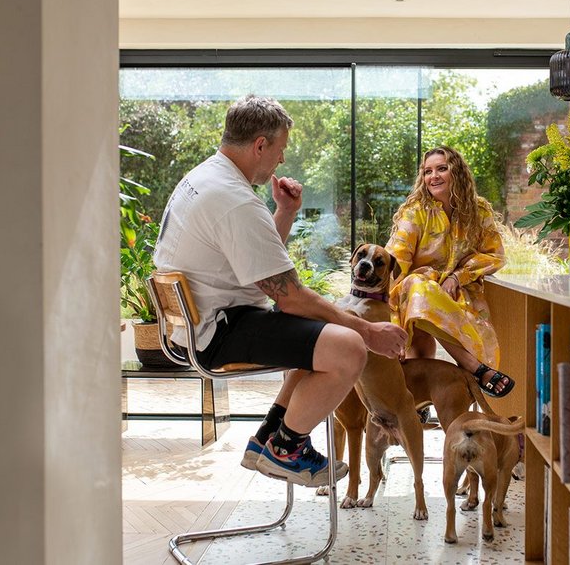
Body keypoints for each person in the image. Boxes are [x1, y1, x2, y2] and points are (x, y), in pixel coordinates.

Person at [153, 95, 407, 487]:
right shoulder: (235, 200)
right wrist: (370, 333)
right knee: (348, 348)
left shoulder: (205, 179)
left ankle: (267, 439)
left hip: (202, 325)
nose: (282, 160)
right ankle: (287, 450)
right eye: (281, 149)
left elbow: (260, 262)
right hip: (220, 332)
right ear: (260, 145)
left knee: (316, 337)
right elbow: (290, 296)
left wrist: (285, 212)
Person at [386, 145, 514, 398]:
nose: (433, 176)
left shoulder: (479, 211)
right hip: (413, 293)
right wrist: (390, 322)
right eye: (427, 171)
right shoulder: (416, 212)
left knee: (428, 338)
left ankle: (421, 401)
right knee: (417, 286)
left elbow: (495, 254)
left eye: (441, 169)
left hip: (457, 289)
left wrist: (459, 276)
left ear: (457, 172)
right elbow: (394, 264)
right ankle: (475, 367)